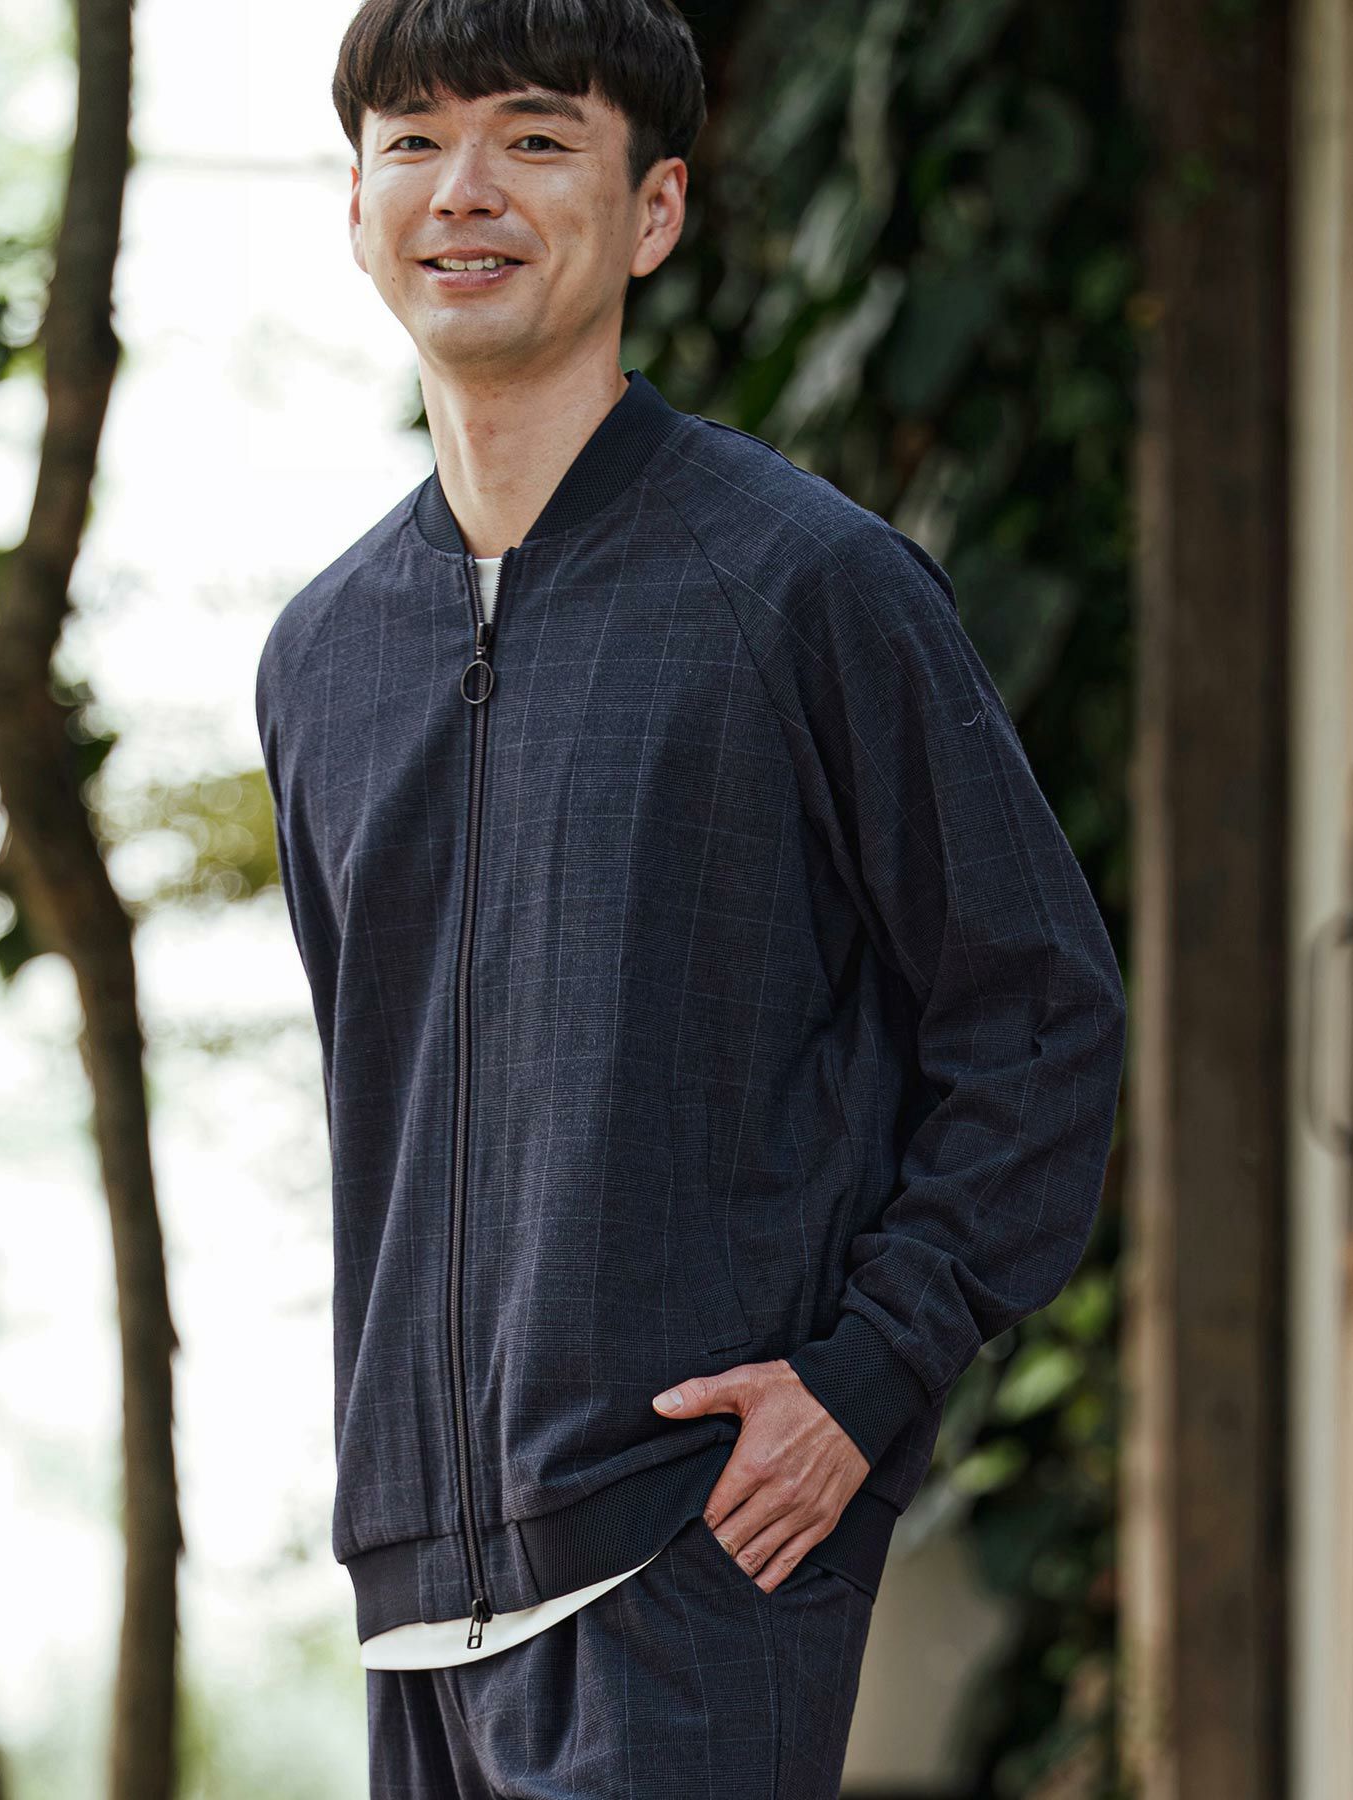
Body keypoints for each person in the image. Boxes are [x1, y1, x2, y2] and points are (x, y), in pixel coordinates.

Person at [253, 2, 1129, 1793]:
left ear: (653, 212)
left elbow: (1039, 1017)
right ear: (356, 208)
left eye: (534, 137)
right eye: (412, 142)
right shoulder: (324, 657)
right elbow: (389, 1105)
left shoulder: (803, 585)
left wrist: (868, 1374)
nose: (464, 188)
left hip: (692, 1551)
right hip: (417, 1596)